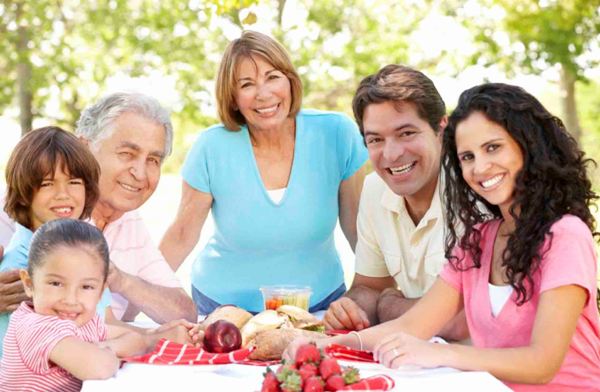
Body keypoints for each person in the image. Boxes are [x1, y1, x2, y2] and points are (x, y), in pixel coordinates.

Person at [286, 83, 600, 391]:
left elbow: (543, 363)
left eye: (493, 147)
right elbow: (412, 326)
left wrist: (440, 353)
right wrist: (329, 345)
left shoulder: (565, 235)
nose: (480, 167)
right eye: (467, 157)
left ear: (527, 145)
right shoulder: (479, 240)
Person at [160, 30, 368, 314]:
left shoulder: (336, 134)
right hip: (223, 308)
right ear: (232, 98)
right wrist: (126, 306)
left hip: (318, 304)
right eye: (247, 84)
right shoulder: (212, 146)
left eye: (273, 77)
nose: (264, 94)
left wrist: (376, 294)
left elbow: (359, 229)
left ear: (290, 81)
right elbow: (182, 234)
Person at [323, 65, 467, 341]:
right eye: (375, 139)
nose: (391, 154)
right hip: (412, 361)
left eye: (406, 133)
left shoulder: (475, 192)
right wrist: (349, 308)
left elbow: (463, 321)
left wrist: (389, 306)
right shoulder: (375, 189)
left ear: (440, 128)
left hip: (480, 371)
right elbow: (370, 287)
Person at [0, 219, 158, 391]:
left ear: (100, 292)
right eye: (56, 284)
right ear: (29, 284)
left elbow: (136, 340)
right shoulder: (35, 327)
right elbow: (99, 368)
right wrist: (109, 354)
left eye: (86, 287)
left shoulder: (84, 323)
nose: (70, 300)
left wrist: (104, 347)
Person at [0, 126, 109, 357]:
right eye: (47, 184)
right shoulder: (20, 265)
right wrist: (144, 340)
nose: (63, 194)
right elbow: (67, 349)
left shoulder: (79, 250)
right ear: (23, 193)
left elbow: (104, 324)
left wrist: (157, 335)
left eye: (74, 182)